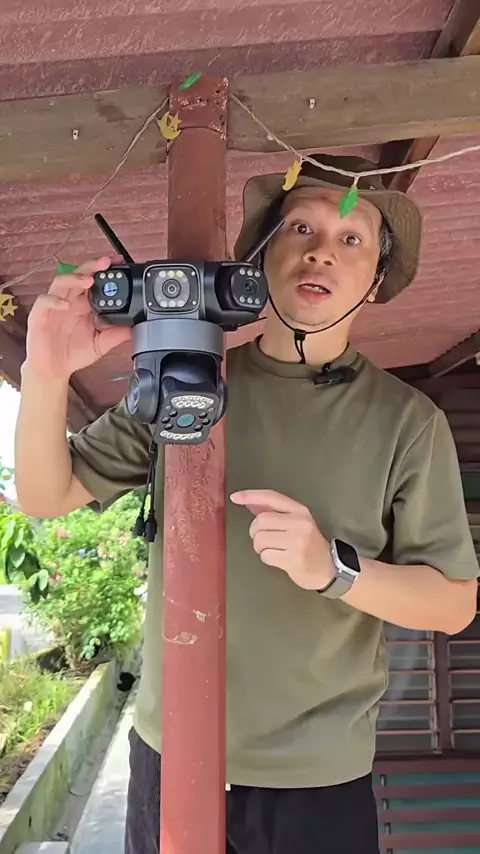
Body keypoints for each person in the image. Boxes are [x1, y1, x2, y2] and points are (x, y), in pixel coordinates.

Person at [15, 154, 479, 854]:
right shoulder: (183, 383)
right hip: (169, 755)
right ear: (260, 259)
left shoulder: (407, 423)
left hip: (315, 781)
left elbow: (453, 603)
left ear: (377, 281)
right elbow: (45, 495)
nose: (322, 251)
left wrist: (333, 568)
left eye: (352, 238)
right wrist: (45, 373)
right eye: (301, 228)